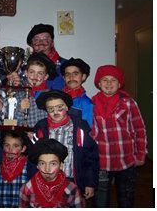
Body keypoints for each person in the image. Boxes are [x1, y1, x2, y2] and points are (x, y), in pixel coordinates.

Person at [91, 65, 147, 208]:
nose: (109, 83)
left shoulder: (129, 103)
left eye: (113, 80)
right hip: (102, 161)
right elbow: (91, 134)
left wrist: (141, 154)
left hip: (126, 160)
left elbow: (139, 129)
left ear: (120, 84)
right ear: (98, 83)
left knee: (126, 198)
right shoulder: (92, 104)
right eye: (105, 80)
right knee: (101, 200)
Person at [31, 90, 99, 201]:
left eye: (60, 108)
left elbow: (90, 157)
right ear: (46, 110)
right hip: (47, 180)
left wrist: (90, 183)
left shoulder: (80, 128)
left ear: (67, 107)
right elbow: (33, 158)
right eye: (51, 109)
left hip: (72, 179)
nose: (55, 112)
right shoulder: (41, 129)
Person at [19, 138, 84, 208]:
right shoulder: (27, 188)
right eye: (42, 163)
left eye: (53, 164)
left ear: (61, 165)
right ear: (37, 165)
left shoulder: (72, 189)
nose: (47, 169)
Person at [13, 52, 57, 127]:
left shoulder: (52, 96)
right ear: (26, 73)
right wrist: (20, 109)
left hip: (44, 136)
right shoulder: (18, 95)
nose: (35, 76)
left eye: (40, 73)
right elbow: (13, 122)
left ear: (46, 77)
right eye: (32, 72)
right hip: (25, 135)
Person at [0, 131, 31, 208]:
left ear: (23, 149)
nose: (10, 149)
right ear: (2, 147)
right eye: (7, 145)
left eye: (15, 146)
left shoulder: (28, 169)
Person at [27, 24, 67, 90]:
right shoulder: (24, 67)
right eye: (36, 39)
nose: (41, 42)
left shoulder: (66, 65)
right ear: (32, 44)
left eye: (45, 39)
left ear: (52, 43)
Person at [60, 58, 93, 126]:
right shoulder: (57, 98)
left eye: (75, 74)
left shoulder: (86, 103)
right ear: (64, 78)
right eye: (67, 74)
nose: (71, 77)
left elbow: (87, 129)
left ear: (83, 77)